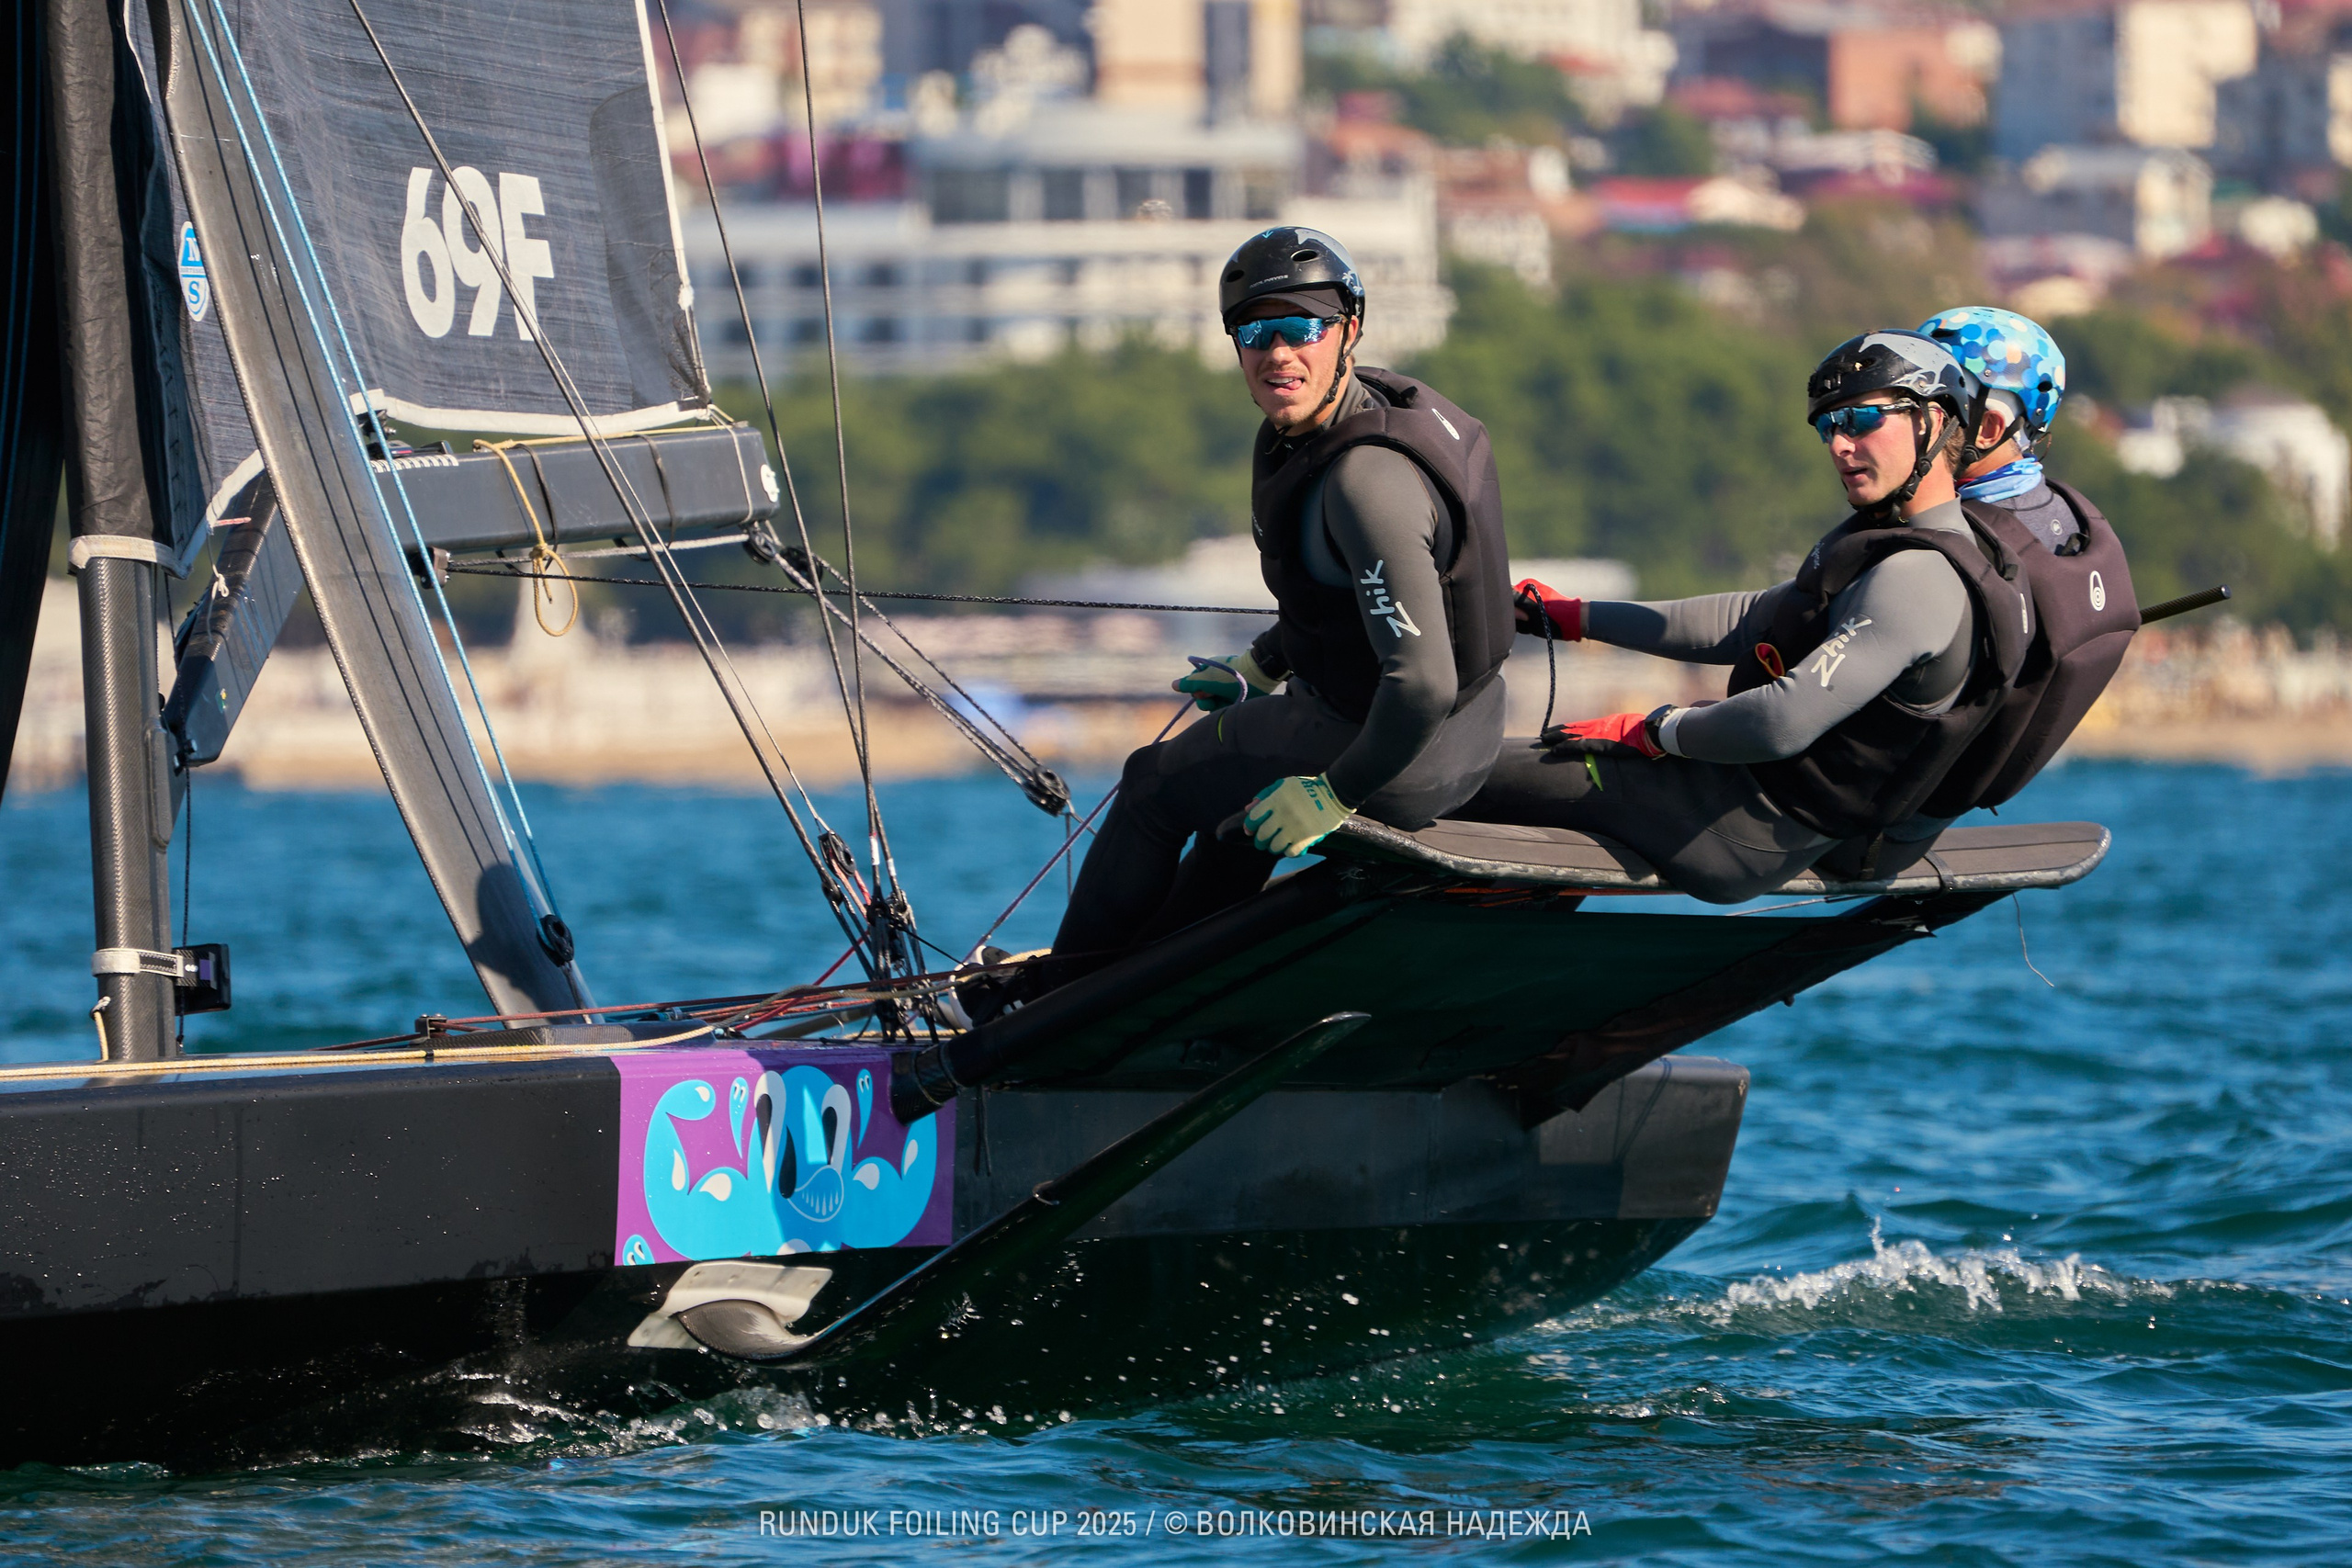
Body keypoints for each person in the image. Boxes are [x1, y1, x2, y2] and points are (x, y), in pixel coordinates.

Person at [1040, 226, 1516, 966]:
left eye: (1302, 328)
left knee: (1150, 787)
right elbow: (1350, 605)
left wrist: (1334, 792)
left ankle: (1049, 1006)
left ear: (1349, 329)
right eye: (1255, 333)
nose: (1278, 355)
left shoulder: (1366, 482)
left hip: (1398, 749)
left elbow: (1421, 683)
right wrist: (1262, 663)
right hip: (1469, 734)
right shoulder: (1381, 407)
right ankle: (1154, 984)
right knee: (1241, 813)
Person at [1463, 330, 2030, 902]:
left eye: (1861, 418)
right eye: (1829, 427)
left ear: (1931, 421)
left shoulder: (1920, 577)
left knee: (1454, 772)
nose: (1838, 444)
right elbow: (1747, 619)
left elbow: (1781, 720)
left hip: (1730, 830)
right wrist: (1577, 616)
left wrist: (1654, 731)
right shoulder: (1901, 543)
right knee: (1505, 768)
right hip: (1730, 802)